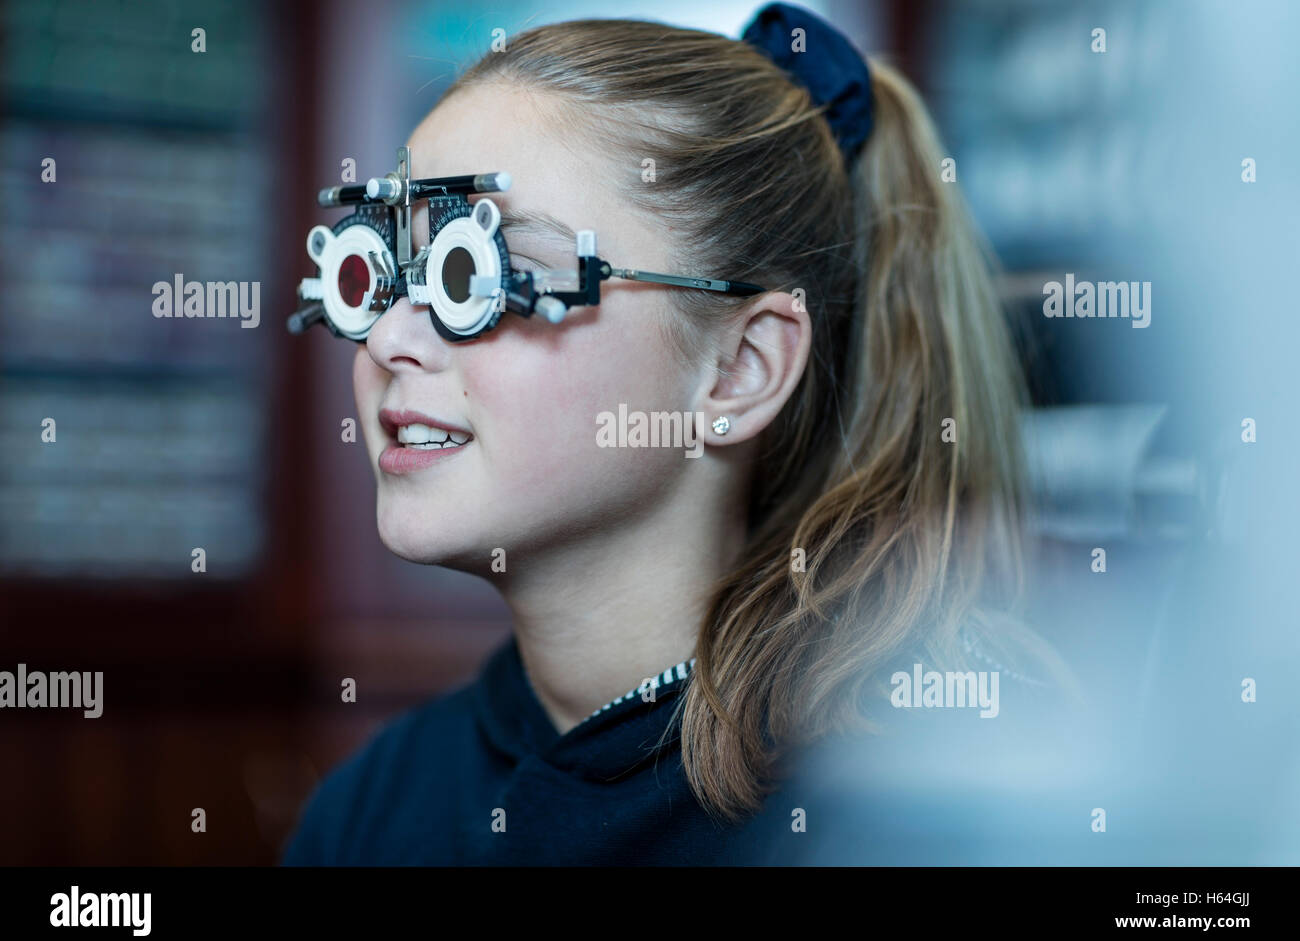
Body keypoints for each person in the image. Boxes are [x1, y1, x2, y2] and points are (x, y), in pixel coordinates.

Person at [281, 3, 1076, 866]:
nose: (390, 338)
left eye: (480, 273)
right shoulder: (373, 808)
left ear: (742, 368)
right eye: (383, 274)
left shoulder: (916, 813)